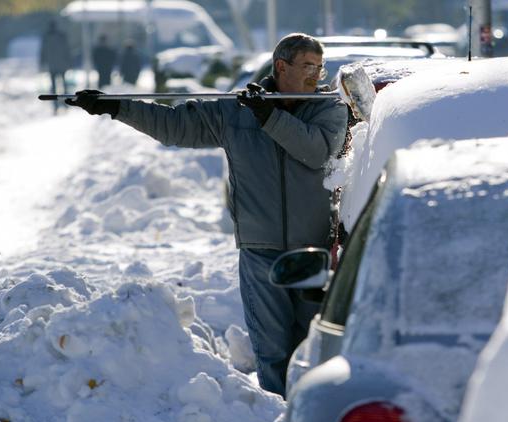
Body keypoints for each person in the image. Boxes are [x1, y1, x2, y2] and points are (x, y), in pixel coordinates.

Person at [65, 33, 348, 398]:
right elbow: (175, 125)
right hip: (260, 252)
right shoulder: (237, 111)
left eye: (319, 68)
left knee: (313, 348)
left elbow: (315, 151)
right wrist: (117, 107)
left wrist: (269, 116)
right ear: (281, 66)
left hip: (314, 254)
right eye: (308, 66)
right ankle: (281, 417)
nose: (315, 75)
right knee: (272, 350)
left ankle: (314, 419)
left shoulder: (328, 108)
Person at [39, 19, 72, 114]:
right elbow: (67, 50)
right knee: (63, 85)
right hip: (60, 64)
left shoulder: (47, 36)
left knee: (55, 86)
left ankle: (57, 105)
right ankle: (64, 104)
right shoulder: (61, 36)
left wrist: (42, 63)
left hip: (53, 65)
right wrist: (69, 62)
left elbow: (43, 52)